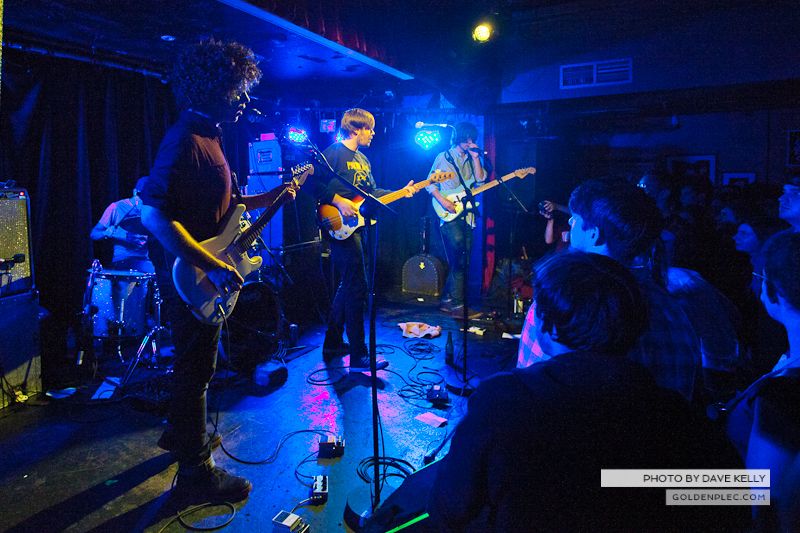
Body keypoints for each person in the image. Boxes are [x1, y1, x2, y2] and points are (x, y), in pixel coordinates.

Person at [428, 251, 745, 532]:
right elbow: (734, 497)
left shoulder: (504, 400)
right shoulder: (676, 414)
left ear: (547, 326)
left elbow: (451, 509)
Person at [139, 39, 295, 502]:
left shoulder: (211, 134)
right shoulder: (183, 139)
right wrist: (214, 266)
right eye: (237, 90)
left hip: (206, 267)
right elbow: (153, 214)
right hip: (191, 276)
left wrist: (271, 199)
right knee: (197, 368)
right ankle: (196, 474)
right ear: (211, 88)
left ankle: (179, 436)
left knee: (193, 364)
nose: (244, 100)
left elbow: (222, 208)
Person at [519, 179, 703, 402]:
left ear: (595, 234)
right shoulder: (672, 308)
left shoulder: (560, 302)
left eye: (575, 219)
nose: (569, 222)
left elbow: (528, 392)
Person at [316, 108, 417, 371]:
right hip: (337, 225)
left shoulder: (363, 159)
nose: (372, 133)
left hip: (357, 227)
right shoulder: (333, 153)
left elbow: (370, 194)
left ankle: (333, 343)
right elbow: (311, 183)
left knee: (348, 285)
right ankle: (359, 356)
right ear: (355, 129)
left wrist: (402, 192)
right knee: (357, 287)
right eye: (369, 129)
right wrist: (338, 201)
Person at [426, 122, 486, 314]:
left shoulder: (471, 158)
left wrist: (476, 158)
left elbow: (480, 179)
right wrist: (443, 202)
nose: (471, 143)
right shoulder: (443, 157)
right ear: (460, 138)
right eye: (468, 139)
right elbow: (430, 184)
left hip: (466, 213)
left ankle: (447, 299)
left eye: (473, 140)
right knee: (460, 250)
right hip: (448, 211)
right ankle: (458, 304)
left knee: (463, 258)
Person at [90, 177, 154, 273]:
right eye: (141, 196)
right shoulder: (116, 207)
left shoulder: (149, 210)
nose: (143, 200)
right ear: (135, 192)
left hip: (144, 260)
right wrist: (106, 233)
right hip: (122, 260)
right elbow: (94, 234)